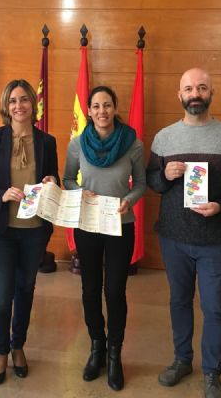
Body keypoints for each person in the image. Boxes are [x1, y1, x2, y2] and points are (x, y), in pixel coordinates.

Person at [147, 68, 221, 398]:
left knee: (215, 307)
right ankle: (182, 360)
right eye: (189, 88)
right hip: (173, 238)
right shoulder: (164, 138)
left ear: (211, 93)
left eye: (202, 88)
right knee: (179, 301)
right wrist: (164, 175)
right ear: (180, 95)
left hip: (214, 239)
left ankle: (211, 372)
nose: (195, 94)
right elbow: (152, 181)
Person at [0, 79, 59, 385]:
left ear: (33, 105)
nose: (18, 105)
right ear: (6, 106)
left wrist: (52, 181)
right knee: (2, 295)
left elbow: (53, 176)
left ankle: (18, 345)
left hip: (34, 230)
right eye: (13, 101)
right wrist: (1, 194)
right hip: (1, 230)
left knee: (26, 288)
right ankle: (1, 350)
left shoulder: (46, 141)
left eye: (24, 100)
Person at [63, 85, 146, 391]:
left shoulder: (132, 142)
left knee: (114, 290)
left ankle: (114, 353)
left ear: (115, 107)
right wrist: (78, 191)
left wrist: (129, 200)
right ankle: (96, 346)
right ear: (88, 111)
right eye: (96, 106)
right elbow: (67, 178)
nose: (102, 111)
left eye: (107, 105)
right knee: (90, 289)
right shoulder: (77, 144)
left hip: (120, 225)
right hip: (87, 224)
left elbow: (141, 183)